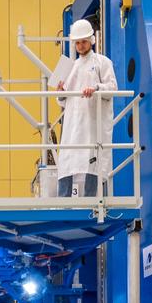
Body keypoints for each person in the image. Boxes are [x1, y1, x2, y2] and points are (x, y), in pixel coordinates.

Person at [55, 19, 118, 198]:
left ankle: (92, 202)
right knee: (67, 162)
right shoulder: (70, 66)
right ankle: (63, 204)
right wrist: (60, 93)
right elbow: (62, 101)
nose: (81, 46)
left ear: (91, 40)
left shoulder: (103, 62)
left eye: (83, 41)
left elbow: (112, 88)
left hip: (93, 123)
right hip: (72, 125)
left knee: (93, 161)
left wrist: (96, 88)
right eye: (77, 43)